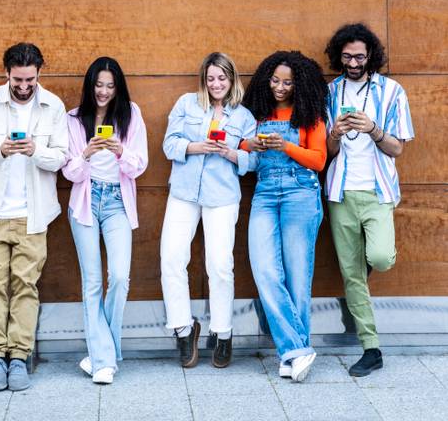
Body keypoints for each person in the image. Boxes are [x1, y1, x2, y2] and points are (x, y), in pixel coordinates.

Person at [0, 42, 68, 392]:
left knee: (25, 287)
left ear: (40, 73)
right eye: (18, 80)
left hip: (33, 215)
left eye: (30, 79)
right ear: (6, 73)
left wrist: (35, 150)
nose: (24, 86)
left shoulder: (52, 105)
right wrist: (0, 150)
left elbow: (61, 158)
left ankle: (19, 357)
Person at [324, 23, 414, 377]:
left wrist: (373, 129)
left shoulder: (392, 92)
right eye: (346, 56)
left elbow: (398, 148)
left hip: (377, 192)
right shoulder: (331, 92)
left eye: (359, 56)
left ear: (371, 55)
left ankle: (362, 269)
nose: (353, 62)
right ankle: (370, 347)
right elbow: (328, 152)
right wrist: (336, 133)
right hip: (339, 193)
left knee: (379, 257)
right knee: (351, 276)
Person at [160, 52, 256, 369]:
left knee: (219, 264)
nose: (216, 84)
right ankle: (184, 330)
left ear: (232, 80)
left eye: (222, 78)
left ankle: (223, 333)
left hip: (223, 196)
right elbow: (169, 144)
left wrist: (230, 153)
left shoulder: (243, 117)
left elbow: (253, 160)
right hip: (184, 191)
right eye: (211, 78)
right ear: (204, 79)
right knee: (172, 258)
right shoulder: (186, 104)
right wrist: (195, 146)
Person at [239, 51, 328, 382]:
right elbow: (239, 144)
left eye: (287, 82)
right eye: (275, 80)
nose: (279, 87)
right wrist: (251, 144)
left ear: (299, 83)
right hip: (264, 193)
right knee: (264, 271)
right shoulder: (257, 112)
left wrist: (284, 146)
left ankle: (292, 353)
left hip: (300, 193)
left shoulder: (309, 113)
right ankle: (297, 349)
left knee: (297, 278)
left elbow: (319, 159)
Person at [62, 57, 148, 384]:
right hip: (85, 201)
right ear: (90, 85)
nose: (104, 91)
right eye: (99, 85)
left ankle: (103, 352)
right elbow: (69, 171)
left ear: (118, 88)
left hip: (117, 202)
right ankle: (103, 361)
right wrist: (86, 152)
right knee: (92, 282)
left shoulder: (132, 114)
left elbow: (139, 165)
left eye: (110, 86)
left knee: (121, 277)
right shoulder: (73, 119)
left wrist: (119, 151)